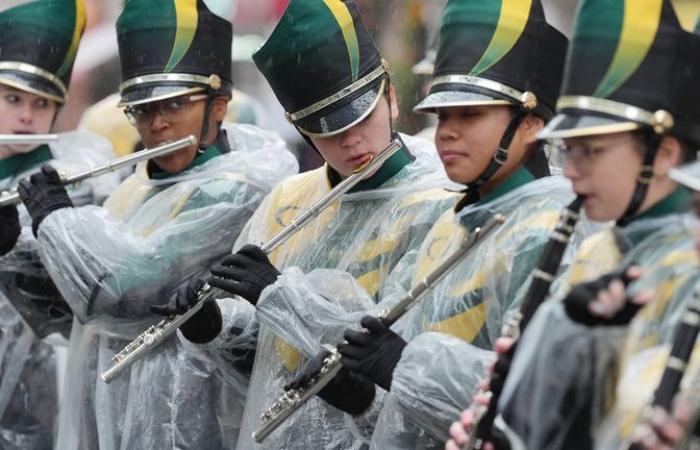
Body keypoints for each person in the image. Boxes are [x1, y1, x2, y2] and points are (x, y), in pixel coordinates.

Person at [163, 1, 453, 448]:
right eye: (327, 130)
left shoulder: (441, 200)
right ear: (300, 130)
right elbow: (266, 355)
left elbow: (404, 356)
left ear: (391, 96)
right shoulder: (287, 201)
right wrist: (215, 325)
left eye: (361, 115)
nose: (351, 140)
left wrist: (282, 294)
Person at [16, 1, 297, 449]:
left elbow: (125, 294)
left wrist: (57, 221)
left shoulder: (235, 190)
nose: (158, 124)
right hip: (112, 419)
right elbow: (73, 317)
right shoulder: (134, 188)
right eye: (143, 110)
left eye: (175, 105)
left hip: (190, 424)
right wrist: (18, 252)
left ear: (219, 106)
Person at [297, 1, 575, 448]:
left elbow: (540, 405)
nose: (446, 132)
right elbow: (399, 391)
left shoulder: (550, 232)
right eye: (443, 116)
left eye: (469, 115)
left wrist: (405, 364)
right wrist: (360, 391)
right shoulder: (452, 221)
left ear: (531, 125)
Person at [448, 0, 700, 448]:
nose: (572, 171)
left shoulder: (685, 264)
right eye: (569, 150)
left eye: (592, 150)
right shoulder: (597, 252)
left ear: (662, 155)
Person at [0, 1, 120, 448]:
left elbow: (85, 302)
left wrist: (22, 254)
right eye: (13, 98)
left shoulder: (77, 179)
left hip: (48, 382)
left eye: (43, 102)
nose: (27, 117)